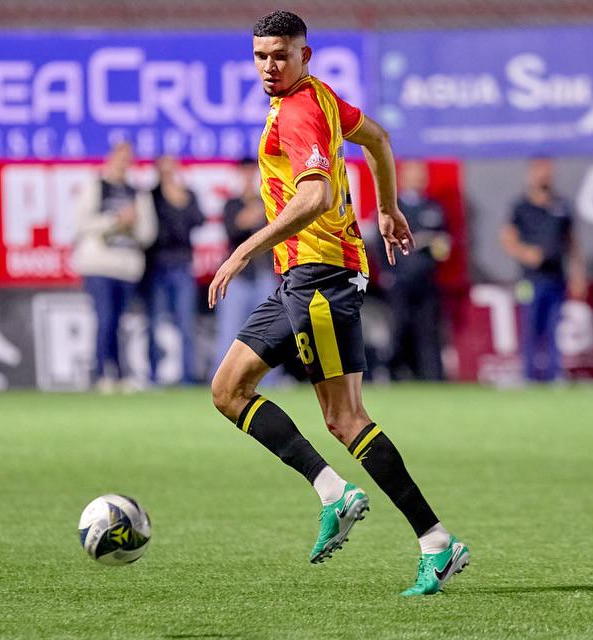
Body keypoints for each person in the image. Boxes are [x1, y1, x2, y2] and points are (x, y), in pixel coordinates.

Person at [208, 11, 468, 597]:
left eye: (281, 55)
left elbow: (316, 195)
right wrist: (389, 206)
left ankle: (437, 543)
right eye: (260, 56)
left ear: (306, 55)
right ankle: (334, 492)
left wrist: (244, 249)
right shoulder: (319, 97)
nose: (269, 67)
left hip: (320, 280)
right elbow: (378, 138)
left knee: (346, 419)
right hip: (298, 279)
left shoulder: (300, 108)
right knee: (228, 390)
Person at [72, 142, 157, 392]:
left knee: (120, 323)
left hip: (126, 267)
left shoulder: (137, 192)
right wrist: (114, 221)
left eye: (127, 158)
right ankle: (102, 374)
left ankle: (120, 374)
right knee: (105, 319)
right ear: (110, 158)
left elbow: (148, 233)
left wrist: (133, 224)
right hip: (99, 266)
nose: (123, 163)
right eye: (119, 157)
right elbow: (80, 225)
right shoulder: (95, 186)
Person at [500, 157, 586, 383]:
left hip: (556, 276)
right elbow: (507, 239)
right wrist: (526, 253)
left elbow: (572, 243)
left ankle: (554, 375)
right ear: (530, 173)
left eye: (548, 170)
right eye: (539, 170)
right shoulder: (521, 206)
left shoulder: (561, 205)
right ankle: (528, 376)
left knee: (554, 328)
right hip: (530, 279)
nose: (544, 175)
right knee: (530, 327)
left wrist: (578, 273)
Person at [210, 157, 279, 381]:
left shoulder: (268, 200)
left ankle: (270, 382)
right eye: (246, 171)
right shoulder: (232, 204)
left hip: (265, 274)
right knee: (229, 332)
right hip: (238, 277)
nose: (249, 175)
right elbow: (234, 228)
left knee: (270, 333)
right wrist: (252, 212)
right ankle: (222, 381)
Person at [384, 160, 451, 381]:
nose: (420, 179)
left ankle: (432, 378)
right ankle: (395, 375)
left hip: (426, 281)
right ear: (403, 178)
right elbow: (379, 242)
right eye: (415, 175)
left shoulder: (433, 207)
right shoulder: (392, 207)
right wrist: (388, 273)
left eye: (422, 175)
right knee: (399, 329)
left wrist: (439, 246)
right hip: (401, 280)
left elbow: (443, 242)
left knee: (429, 332)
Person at [145, 155, 205, 385]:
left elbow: (198, 220)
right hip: (157, 267)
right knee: (155, 324)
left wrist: (180, 201)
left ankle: (187, 376)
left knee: (185, 324)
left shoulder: (186, 194)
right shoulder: (151, 195)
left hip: (182, 265)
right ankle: (153, 376)